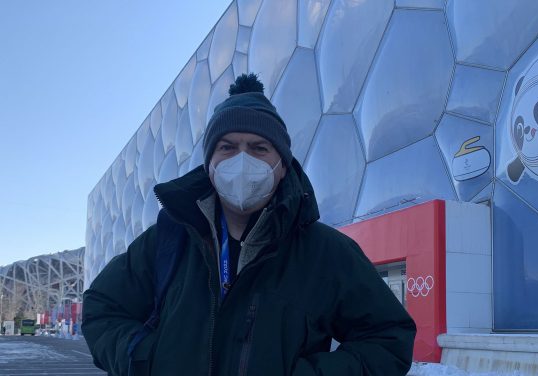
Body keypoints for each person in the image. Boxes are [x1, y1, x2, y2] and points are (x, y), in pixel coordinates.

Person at [82, 73, 416, 375]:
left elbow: (388, 339)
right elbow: (102, 307)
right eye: (228, 147)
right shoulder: (168, 241)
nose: (242, 160)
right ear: (210, 163)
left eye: (259, 148)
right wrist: (143, 357)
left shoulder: (325, 252)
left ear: (282, 165)